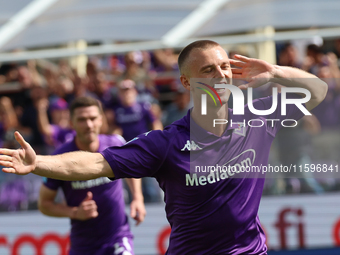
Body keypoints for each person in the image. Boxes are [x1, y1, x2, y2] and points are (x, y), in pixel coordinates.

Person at [0, 40, 327, 254]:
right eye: (208, 70)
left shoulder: (258, 116)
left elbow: (317, 91)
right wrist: (39, 162)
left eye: (225, 66)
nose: (221, 75)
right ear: (186, 83)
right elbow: (97, 164)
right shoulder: (166, 142)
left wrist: (275, 72)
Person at [38, 96, 146, 255]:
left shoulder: (115, 144)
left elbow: (132, 170)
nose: (89, 125)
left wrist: (138, 197)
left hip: (118, 238)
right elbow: (44, 204)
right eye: (82, 120)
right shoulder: (59, 158)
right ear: (71, 123)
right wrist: (75, 212)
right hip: (83, 246)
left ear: (101, 120)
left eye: (93, 118)